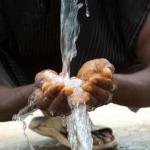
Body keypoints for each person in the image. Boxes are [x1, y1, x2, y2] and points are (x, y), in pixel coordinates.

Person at [0, 0, 150, 146]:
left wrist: (108, 84)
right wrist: (35, 93)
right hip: (16, 66)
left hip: (110, 46)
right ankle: (61, 116)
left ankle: (68, 117)